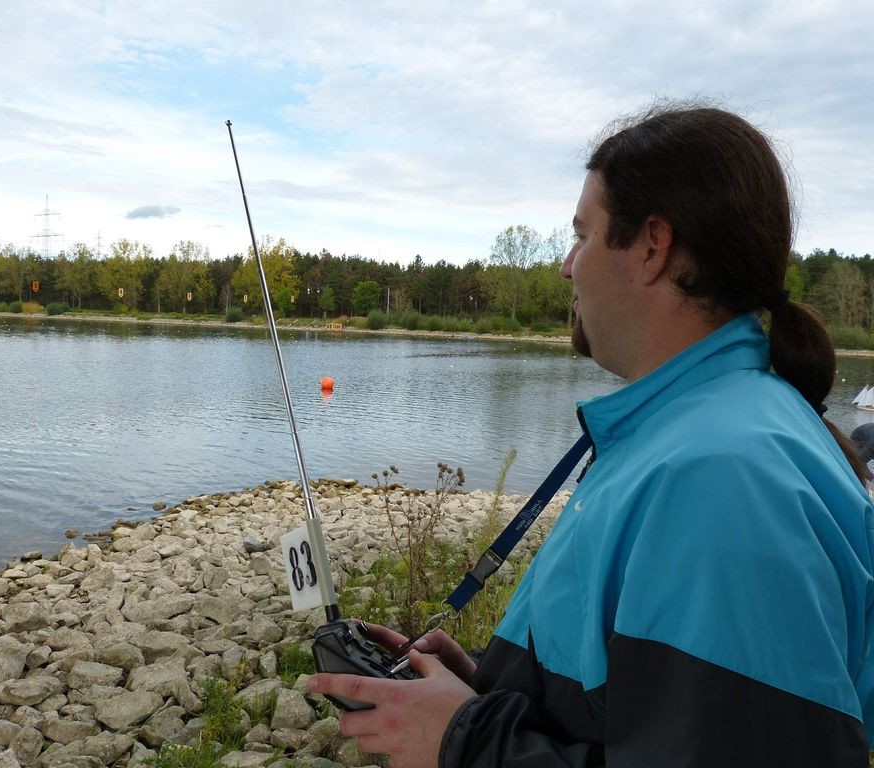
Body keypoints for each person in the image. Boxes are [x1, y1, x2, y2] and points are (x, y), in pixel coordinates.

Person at [308, 104, 874, 767]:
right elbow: (645, 706)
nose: (566, 266)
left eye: (582, 235)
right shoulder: (686, 435)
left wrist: (463, 740)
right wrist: (488, 690)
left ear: (652, 247)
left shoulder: (722, 479)